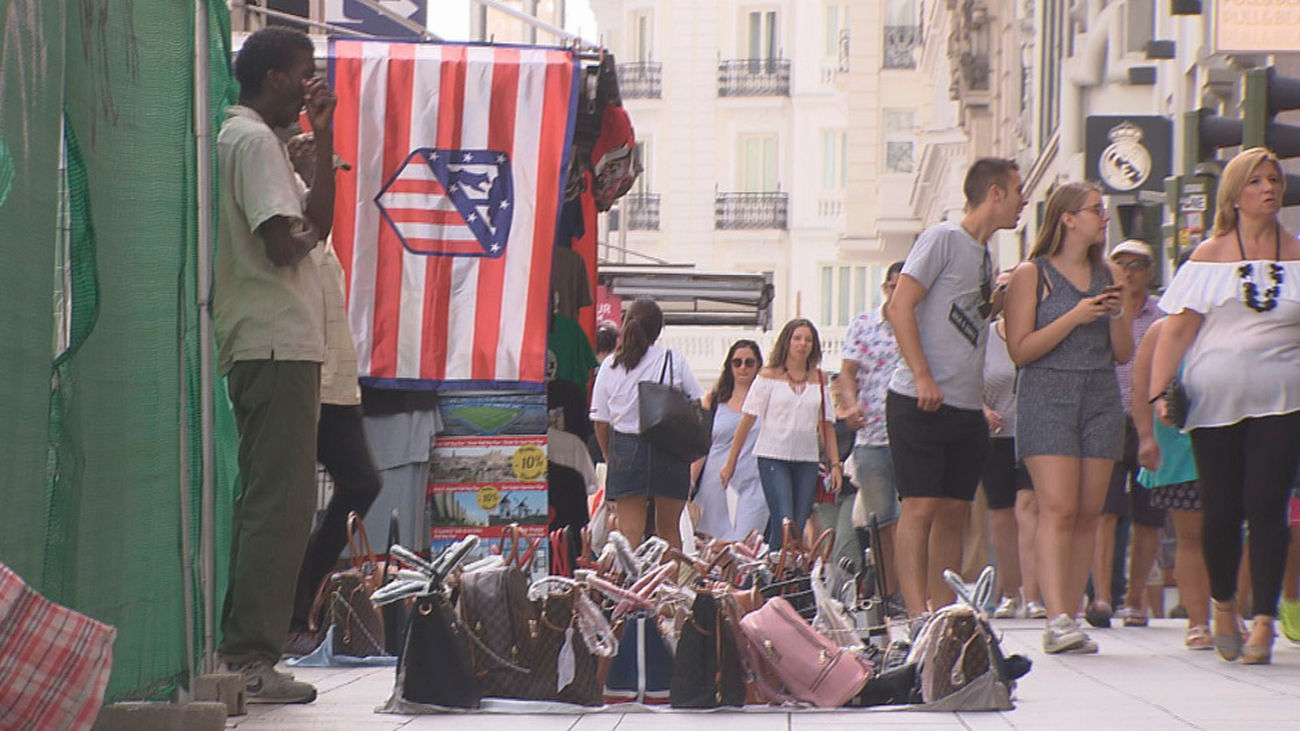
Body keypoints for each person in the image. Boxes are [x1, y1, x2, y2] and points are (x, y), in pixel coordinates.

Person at [213, 26, 336, 703]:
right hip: (275, 341)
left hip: (263, 340)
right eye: (304, 71)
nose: (312, 83)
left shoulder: (241, 136)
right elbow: (286, 244)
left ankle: (244, 646)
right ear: (275, 77)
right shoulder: (256, 141)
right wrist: (320, 169)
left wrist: (314, 167)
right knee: (279, 504)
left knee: (269, 499)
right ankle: (248, 654)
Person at [1150, 147, 1300, 665]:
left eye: (1274, 180)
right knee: (1222, 511)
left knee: (1268, 506)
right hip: (1215, 399)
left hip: (1283, 398)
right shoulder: (1209, 255)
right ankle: (1221, 604)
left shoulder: (1298, 253)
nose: (1268, 188)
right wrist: (1158, 392)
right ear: (1235, 195)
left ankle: (1263, 620)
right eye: (1257, 180)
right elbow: (1175, 333)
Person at [885, 157, 1024, 616]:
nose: (1023, 203)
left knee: (954, 511)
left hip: (966, 407)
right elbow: (900, 306)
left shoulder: (986, 255)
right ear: (995, 193)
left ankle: (944, 611)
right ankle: (914, 614)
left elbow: (972, 317)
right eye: (1017, 192)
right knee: (919, 506)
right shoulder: (942, 238)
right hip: (919, 398)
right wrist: (922, 373)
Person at [1005, 181, 1133, 654]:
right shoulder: (1031, 274)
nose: (1104, 217)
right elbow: (1021, 350)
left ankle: (1073, 613)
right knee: (1057, 506)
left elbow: (1122, 353)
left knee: (1087, 511)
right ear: (1067, 218)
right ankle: (1055, 616)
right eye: (1095, 210)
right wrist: (1074, 317)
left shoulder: (1108, 272)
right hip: (1047, 393)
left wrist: (1117, 312)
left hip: (1099, 394)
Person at [281, 132, 383, 656]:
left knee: (361, 483)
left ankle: (301, 598)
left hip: (336, 381)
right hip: (309, 377)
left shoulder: (320, 230)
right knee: (295, 497)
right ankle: (290, 608)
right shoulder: (295, 215)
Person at [1084, 239, 1165, 629]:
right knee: (1105, 511)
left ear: (1150, 271)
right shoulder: (1100, 310)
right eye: (1122, 264)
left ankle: (1135, 600)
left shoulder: (1163, 316)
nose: (1130, 272)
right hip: (1107, 416)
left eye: (1138, 265)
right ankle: (1102, 596)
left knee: (1149, 513)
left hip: (1151, 422)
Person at [590, 299, 704, 549]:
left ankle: (631, 586)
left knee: (629, 533)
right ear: (659, 329)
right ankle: (671, 587)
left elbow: (600, 421)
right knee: (669, 532)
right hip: (669, 449)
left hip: (626, 449)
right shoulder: (674, 360)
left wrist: (610, 456)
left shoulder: (610, 366)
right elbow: (699, 400)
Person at [1131, 313, 1213, 650]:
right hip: (1180, 447)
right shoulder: (1162, 331)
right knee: (1191, 535)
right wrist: (1145, 437)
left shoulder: (1236, 322)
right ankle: (1199, 621)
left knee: (1232, 531)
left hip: (1233, 438)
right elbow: (1140, 387)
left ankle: (1230, 613)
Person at [723, 319, 840, 549]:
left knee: (798, 523)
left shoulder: (820, 378)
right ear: (787, 341)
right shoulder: (768, 376)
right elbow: (747, 420)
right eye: (797, 338)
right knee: (785, 521)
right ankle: (775, 574)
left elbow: (826, 424)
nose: (802, 344)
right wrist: (731, 462)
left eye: (808, 339)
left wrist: (835, 464)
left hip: (806, 459)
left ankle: (777, 575)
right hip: (773, 456)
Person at [837, 262, 905, 600]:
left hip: (913, 437)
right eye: (893, 287)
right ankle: (888, 595)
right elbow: (846, 373)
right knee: (881, 523)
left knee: (910, 520)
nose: (898, 294)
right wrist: (850, 406)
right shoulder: (863, 324)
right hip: (872, 436)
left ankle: (910, 596)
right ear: (884, 288)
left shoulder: (922, 324)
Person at [981, 270, 1037, 618]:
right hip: (995, 436)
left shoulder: (1037, 331)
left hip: (1034, 433)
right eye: (1003, 288)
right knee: (1001, 515)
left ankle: (1033, 596)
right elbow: (967, 379)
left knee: (1028, 509)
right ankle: (1011, 594)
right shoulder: (983, 337)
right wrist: (982, 409)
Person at [693, 340, 769, 541]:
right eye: (737, 362)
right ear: (729, 366)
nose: (743, 367)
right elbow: (702, 445)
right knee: (713, 549)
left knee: (744, 545)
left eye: (749, 363)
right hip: (714, 484)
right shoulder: (714, 400)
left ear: (758, 366)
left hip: (754, 484)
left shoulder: (767, 401)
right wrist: (690, 481)